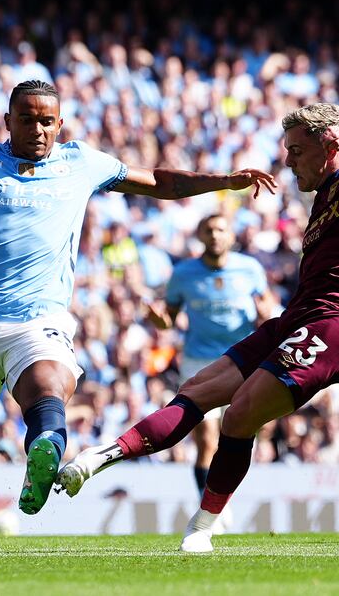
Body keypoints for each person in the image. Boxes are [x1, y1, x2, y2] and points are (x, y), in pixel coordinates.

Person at [0, 58, 276, 520]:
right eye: (27, 119)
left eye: (47, 121)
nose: (38, 129)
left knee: (47, 390)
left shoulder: (82, 163)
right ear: (8, 121)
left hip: (39, 322)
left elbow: (157, 181)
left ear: (60, 124)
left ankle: (46, 449)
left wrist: (223, 182)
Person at [56, 103, 339, 551]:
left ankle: (202, 528)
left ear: (329, 144)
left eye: (297, 151)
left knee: (239, 414)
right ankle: (100, 457)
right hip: (299, 316)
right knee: (197, 390)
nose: (287, 161)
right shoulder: (325, 202)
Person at [145, 214, 273, 504]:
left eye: (221, 229)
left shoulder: (249, 269)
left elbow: (265, 310)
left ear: (231, 236)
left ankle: (223, 496)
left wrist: (266, 315)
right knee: (206, 440)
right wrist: (158, 320)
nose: (215, 235)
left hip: (243, 359)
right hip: (198, 362)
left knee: (240, 432)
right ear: (200, 236)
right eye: (209, 230)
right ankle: (211, 507)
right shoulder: (183, 273)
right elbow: (169, 320)